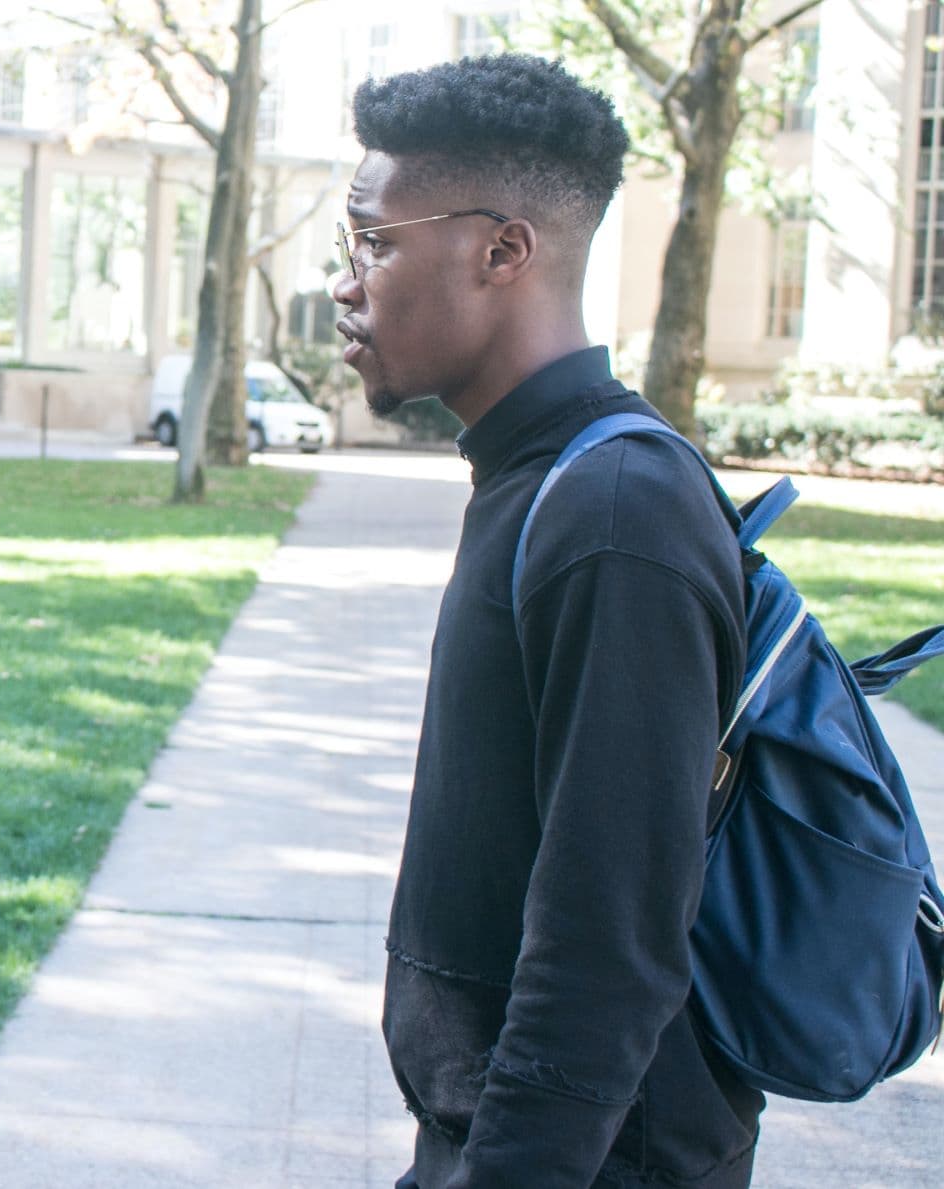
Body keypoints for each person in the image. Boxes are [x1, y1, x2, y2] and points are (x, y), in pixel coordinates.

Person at [334, 56, 758, 1187]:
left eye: (373, 241)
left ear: (501, 251)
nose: (345, 281)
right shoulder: (533, 477)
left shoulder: (616, 513)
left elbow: (607, 948)